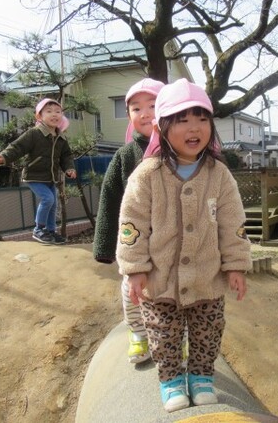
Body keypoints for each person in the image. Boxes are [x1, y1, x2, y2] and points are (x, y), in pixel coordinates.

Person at [116, 78, 251, 413]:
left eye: (202, 118)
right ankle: (171, 379)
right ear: (161, 127)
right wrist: (135, 270)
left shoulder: (219, 174)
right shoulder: (147, 174)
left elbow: (232, 223)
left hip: (207, 278)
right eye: (183, 120)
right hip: (160, 280)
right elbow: (132, 225)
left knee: (208, 331)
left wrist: (235, 265)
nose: (194, 128)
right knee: (164, 334)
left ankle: (202, 376)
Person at [92, 77, 164, 364]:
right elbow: (110, 198)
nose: (145, 113)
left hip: (170, 238)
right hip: (135, 239)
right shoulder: (124, 156)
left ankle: (178, 336)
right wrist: (104, 245)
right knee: (132, 287)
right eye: (136, 108)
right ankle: (137, 332)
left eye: (153, 105)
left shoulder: (179, 151)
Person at [0, 98, 76, 244]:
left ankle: (50, 231)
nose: (54, 114)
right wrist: (4, 156)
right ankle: (38, 229)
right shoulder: (34, 133)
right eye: (49, 111)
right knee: (48, 199)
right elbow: (18, 147)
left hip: (51, 177)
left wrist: (69, 168)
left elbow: (66, 156)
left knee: (53, 203)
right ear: (39, 116)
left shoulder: (61, 137)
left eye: (58, 112)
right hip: (34, 175)